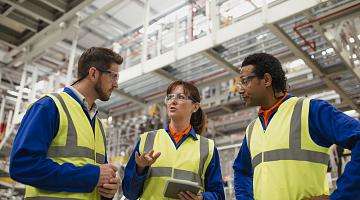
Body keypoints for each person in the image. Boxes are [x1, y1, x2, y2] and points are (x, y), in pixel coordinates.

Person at [232, 53, 360, 200]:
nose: (240, 90)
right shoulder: (252, 130)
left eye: (245, 81)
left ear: (266, 80)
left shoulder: (310, 111)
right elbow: (241, 170)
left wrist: (341, 197)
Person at [10, 47, 123, 199]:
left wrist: (107, 189)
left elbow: (98, 178)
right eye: (113, 76)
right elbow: (22, 166)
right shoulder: (49, 106)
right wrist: (91, 175)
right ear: (93, 73)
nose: (116, 84)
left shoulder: (98, 123)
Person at [122, 80, 225, 200]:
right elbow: (129, 193)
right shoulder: (147, 140)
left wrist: (202, 198)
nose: (173, 101)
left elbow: (218, 195)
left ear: (195, 107)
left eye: (181, 97)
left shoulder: (207, 147)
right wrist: (140, 169)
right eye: (170, 97)